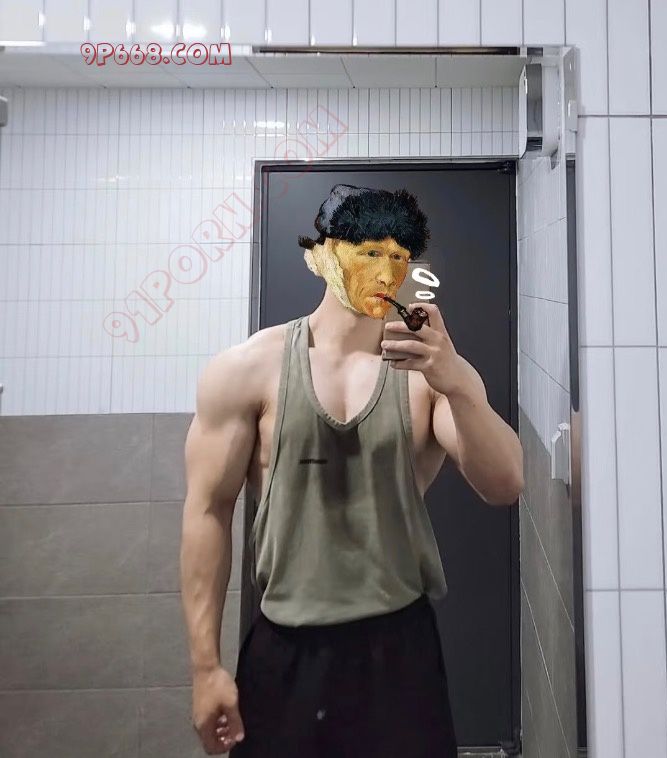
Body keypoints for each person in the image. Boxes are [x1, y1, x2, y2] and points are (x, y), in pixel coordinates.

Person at [180, 184, 525, 757]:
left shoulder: (428, 372)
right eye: (369, 253)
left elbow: (505, 484)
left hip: (400, 649)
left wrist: (460, 384)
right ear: (321, 256)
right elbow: (208, 512)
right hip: (285, 646)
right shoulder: (248, 369)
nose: (387, 272)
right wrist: (205, 667)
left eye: (399, 257)